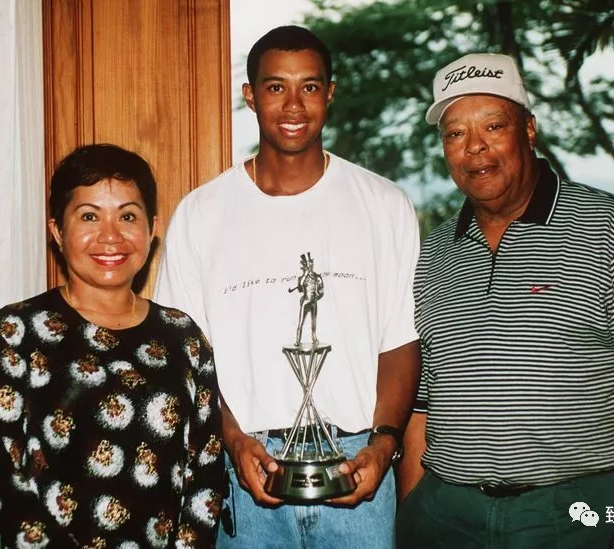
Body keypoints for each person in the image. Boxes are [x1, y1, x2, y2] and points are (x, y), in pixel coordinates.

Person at [396, 53, 614, 549]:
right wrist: (412, 509)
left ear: (529, 129)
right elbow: (421, 404)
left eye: (494, 126)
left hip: (574, 514)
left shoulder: (611, 228)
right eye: (455, 133)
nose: (475, 147)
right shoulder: (433, 252)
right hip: (445, 515)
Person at [154, 25, 421, 549]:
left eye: (309, 86)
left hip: (358, 469)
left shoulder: (384, 204)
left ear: (330, 93)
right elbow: (183, 356)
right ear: (250, 95)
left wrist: (383, 444)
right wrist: (233, 440)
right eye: (276, 87)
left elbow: (400, 340)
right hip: (247, 473)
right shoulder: (202, 214)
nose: (293, 105)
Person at [0, 144, 224, 548]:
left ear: (151, 229)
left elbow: (206, 472)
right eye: (89, 216)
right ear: (57, 230)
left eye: (127, 216)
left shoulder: (184, 337)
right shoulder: (12, 335)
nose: (110, 236)